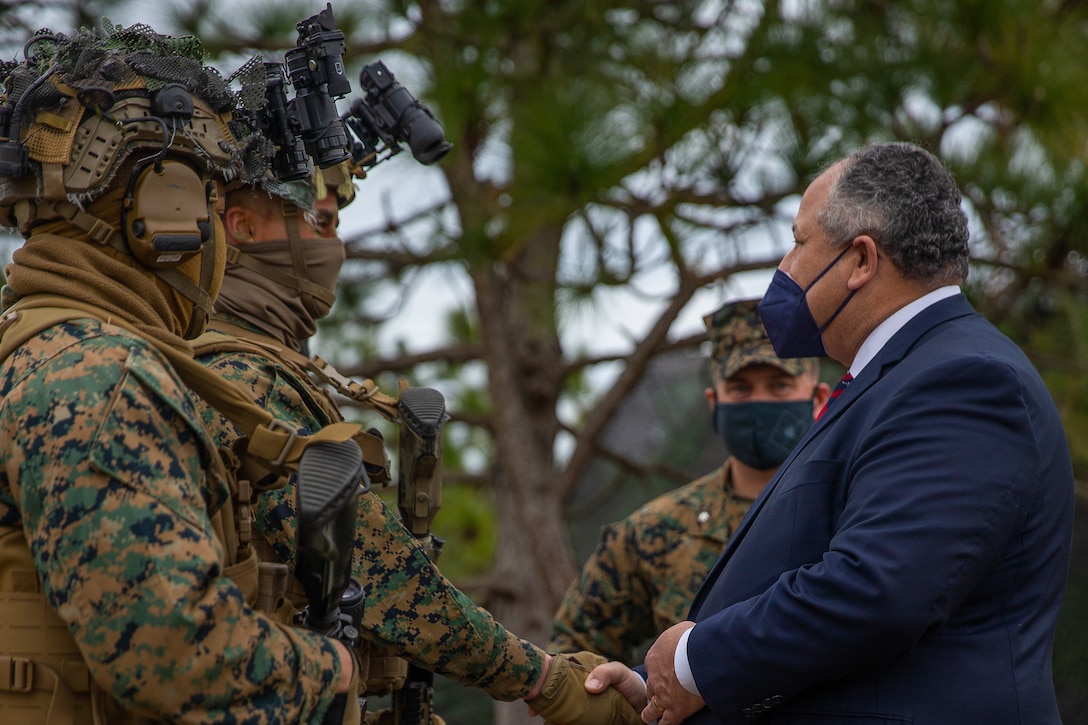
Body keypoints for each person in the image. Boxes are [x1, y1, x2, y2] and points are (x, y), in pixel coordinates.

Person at [0, 21, 629, 725]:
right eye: (208, 196)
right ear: (165, 209)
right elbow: (179, 650)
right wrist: (334, 671)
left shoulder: (68, 354)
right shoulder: (102, 377)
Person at [584, 141, 1076, 725]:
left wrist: (694, 664)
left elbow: (877, 590)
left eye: (798, 243)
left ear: (861, 261)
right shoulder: (896, 378)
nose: (785, 270)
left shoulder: (963, 379)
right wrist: (660, 688)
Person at [194, 164, 642, 725]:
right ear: (241, 226)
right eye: (322, 221)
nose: (336, 247)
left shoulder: (261, 366)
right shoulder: (240, 378)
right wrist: (547, 681)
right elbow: (377, 572)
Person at [548, 299, 829, 664]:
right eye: (740, 389)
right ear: (714, 403)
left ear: (818, 399)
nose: (759, 403)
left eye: (779, 386)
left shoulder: (852, 507)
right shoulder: (657, 530)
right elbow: (572, 655)